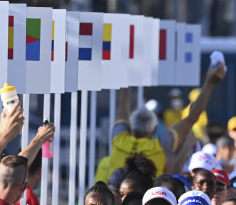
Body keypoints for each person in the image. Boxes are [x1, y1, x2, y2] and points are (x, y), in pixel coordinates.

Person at [96, 64, 227, 181]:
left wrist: (126, 69)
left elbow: (123, 106)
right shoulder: (160, 145)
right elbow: (192, 118)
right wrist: (210, 83)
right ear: (153, 130)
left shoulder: (119, 138)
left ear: (130, 126)